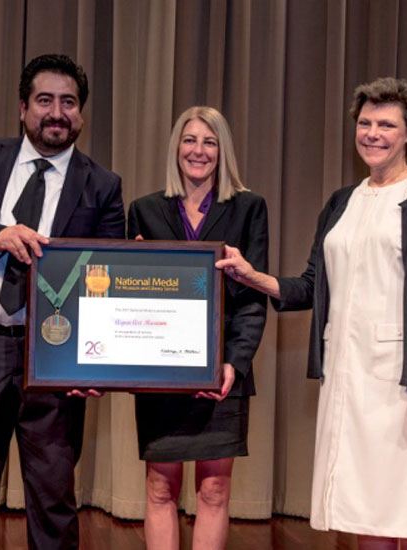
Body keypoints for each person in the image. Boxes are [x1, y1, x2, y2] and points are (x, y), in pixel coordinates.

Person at [217, 77, 407, 549]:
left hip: (403, 382)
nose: (373, 132)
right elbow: (310, 287)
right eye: (365, 123)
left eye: (387, 124)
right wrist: (251, 275)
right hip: (348, 379)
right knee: (363, 510)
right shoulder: (340, 203)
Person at [0, 53, 125, 550]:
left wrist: (98, 365)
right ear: (22, 107)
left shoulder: (104, 185)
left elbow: (109, 283)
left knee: (54, 502)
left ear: (82, 114)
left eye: (69, 103)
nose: (57, 112)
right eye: (45, 100)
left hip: (54, 361)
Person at [127, 106, 268, 550]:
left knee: (214, 490)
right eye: (190, 140)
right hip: (160, 374)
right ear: (176, 148)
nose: (199, 151)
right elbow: (129, 295)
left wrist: (235, 363)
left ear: (222, 151)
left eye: (210, 142)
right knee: (160, 489)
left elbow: (252, 297)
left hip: (222, 373)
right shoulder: (144, 210)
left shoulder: (249, 208)